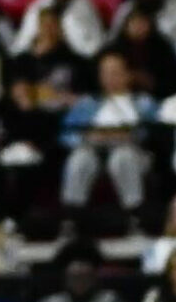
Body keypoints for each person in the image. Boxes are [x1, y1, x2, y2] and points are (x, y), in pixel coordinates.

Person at [60, 50, 159, 219]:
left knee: (122, 157)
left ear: (128, 75)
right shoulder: (87, 104)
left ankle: (135, 214)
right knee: (80, 159)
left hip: (133, 152)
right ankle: (72, 216)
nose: (110, 78)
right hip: (93, 150)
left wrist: (132, 135)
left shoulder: (143, 103)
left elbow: (155, 131)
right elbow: (66, 133)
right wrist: (87, 138)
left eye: (116, 73)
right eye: (105, 73)